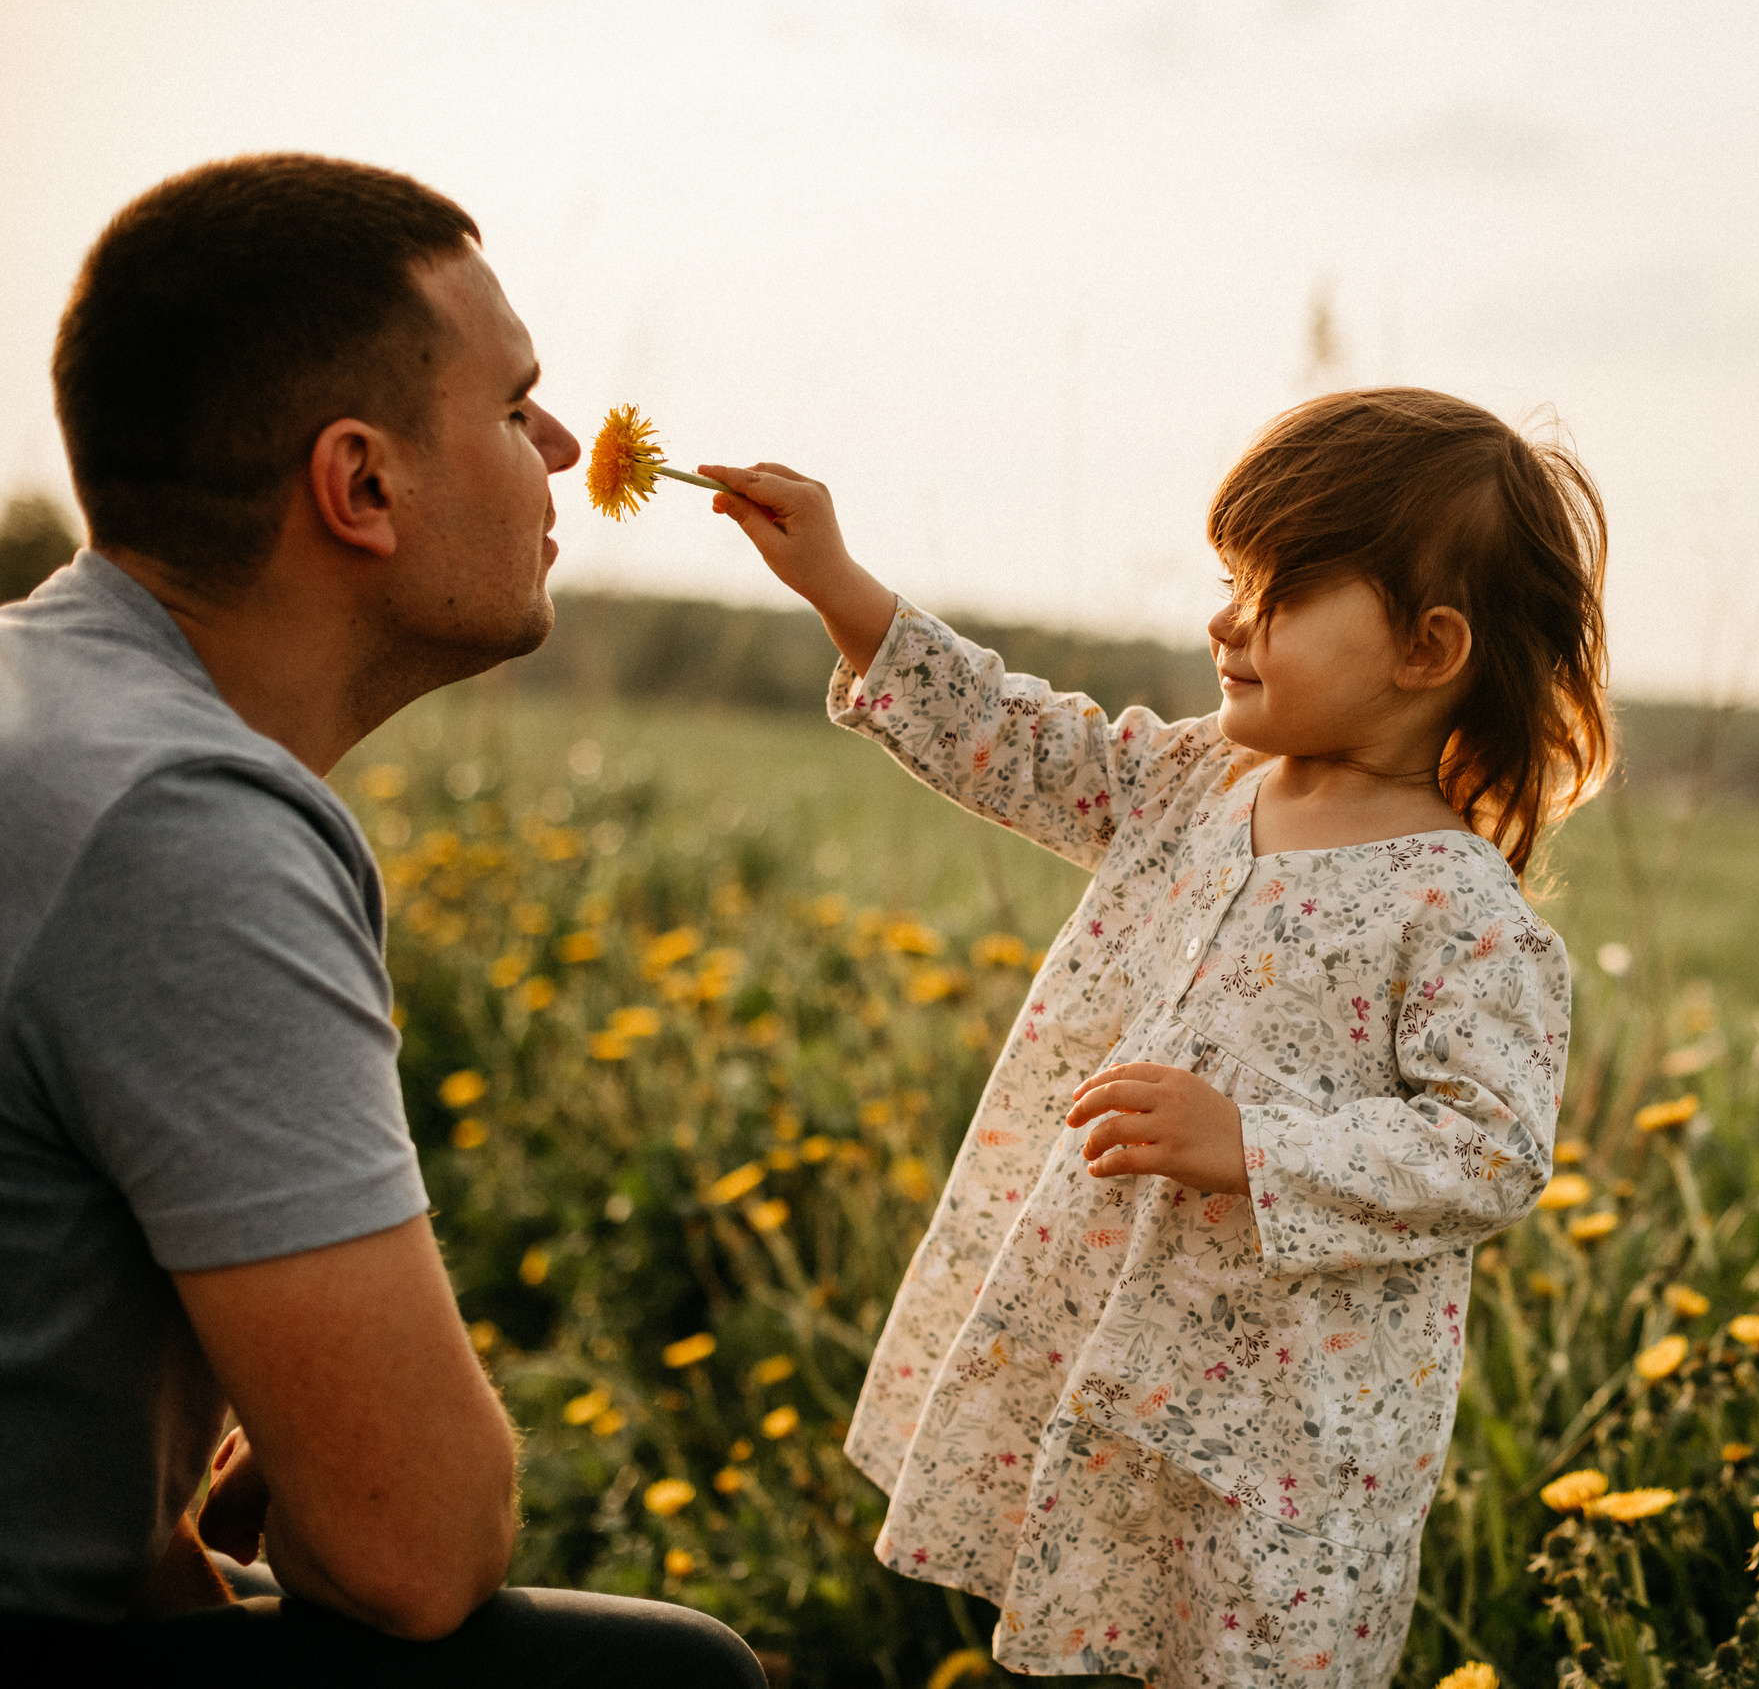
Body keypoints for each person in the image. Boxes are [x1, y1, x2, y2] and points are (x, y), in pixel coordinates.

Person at [698, 387, 1609, 1685]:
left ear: (1428, 647)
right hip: (1107, 1345)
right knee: (1089, 1627)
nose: (1224, 618)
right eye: (1231, 576)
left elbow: (1491, 1151)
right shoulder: (1197, 781)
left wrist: (1254, 1145)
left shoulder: (1458, 907)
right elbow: (1022, 744)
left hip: (1278, 1430)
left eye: (1278, 592)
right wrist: (840, 584)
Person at [0, 154, 765, 1687]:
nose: (560, 443)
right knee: (672, 1678)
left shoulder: (48, 707)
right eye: (513, 406)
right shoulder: (180, 825)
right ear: (361, 486)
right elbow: (412, 1552)